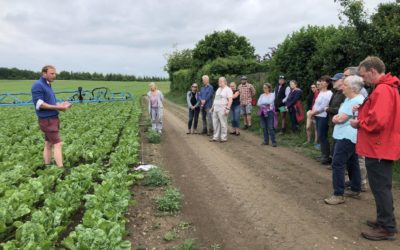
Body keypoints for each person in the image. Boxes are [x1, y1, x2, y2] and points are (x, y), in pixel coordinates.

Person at [350, 56, 400, 241]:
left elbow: (378, 121)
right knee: (381, 187)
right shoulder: (387, 88)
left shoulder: (382, 90)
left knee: (380, 188)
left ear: (372, 71)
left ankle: (387, 228)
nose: (364, 80)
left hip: (379, 146)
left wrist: (359, 123)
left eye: (364, 76)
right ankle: (384, 221)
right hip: (382, 145)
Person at [324, 75, 365, 205]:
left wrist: (336, 118)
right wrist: (338, 117)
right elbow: (340, 116)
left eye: (345, 85)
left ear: (353, 88)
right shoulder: (349, 99)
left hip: (347, 136)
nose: (342, 87)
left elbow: (341, 118)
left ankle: (338, 194)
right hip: (344, 134)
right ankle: (355, 188)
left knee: (337, 163)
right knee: (352, 162)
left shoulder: (356, 100)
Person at [31, 65, 72, 167]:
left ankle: (47, 166)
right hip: (47, 120)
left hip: (52, 119)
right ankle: (61, 169)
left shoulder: (47, 84)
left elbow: (49, 102)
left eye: (55, 73)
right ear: (44, 74)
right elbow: (40, 104)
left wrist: (61, 105)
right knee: (58, 144)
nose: (54, 75)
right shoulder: (38, 85)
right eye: (51, 73)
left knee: (48, 144)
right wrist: (58, 107)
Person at [343, 66, 369, 192]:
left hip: (358, 130)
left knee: (359, 158)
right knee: (354, 158)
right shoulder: (351, 91)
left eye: (346, 76)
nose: (344, 78)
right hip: (353, 129)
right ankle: (355, 181)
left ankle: (362, 182)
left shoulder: (361, 92)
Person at [309, 76, 333, 165]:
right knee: (320, 135)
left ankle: (326, 157)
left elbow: (324, 106)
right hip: (317, 115)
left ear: (327, 83)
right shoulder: (320, 92)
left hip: (323, 116)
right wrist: (313, 112)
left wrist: (313, 113)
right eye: (320, 81)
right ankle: (323, 154)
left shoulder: (329, 93)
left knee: (323, 136)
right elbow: (316, 103)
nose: (320, 82)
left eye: (322, 81)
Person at [210, 77, 233, 143]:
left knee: (223, 123)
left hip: (223, 108)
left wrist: (228, 109)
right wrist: (212, 107)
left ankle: (223, 138)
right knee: (215, 123)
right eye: (218, 81)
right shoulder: (218, 89)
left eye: (220, 81)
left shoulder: (228, 89)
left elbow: (230, 100)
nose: (219, 82)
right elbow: (216, 99)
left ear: (225, 82)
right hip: (216, 108)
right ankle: (215, 137)